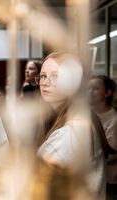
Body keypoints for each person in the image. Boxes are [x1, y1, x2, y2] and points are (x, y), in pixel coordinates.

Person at [36, 53, 106, 199]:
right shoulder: (78, 118)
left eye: (55, 76)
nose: (45, 82)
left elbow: (33, 180)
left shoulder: (70, 133)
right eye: (43, 76)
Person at [89, 75, 117, 199]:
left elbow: (112, 155)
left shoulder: (114, 120)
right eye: (88, 88)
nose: (90, 92)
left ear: (107, 93)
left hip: (108, 182)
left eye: (95, 88)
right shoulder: (83, 114)